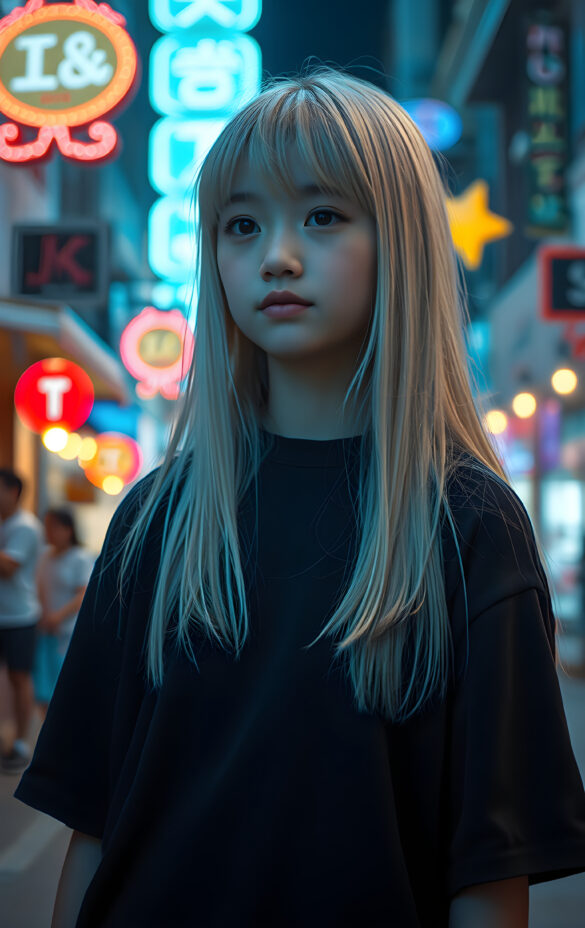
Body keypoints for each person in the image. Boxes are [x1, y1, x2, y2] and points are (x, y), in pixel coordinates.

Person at [13, 68, 585, 927]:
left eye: (322, 216)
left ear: (401, 241)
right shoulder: (155, 520)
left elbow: (487, 878)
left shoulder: (468, 525)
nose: (276, 254)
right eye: (241, 225)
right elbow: (91, 833)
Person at [0, 468, 43, 774]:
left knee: (19, 678)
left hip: (20, 616)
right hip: (7, 615)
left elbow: (8, 568)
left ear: (13, 491)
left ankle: (20, 743)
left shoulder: (26, 526)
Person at [33, 508, 93, 722]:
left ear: (68, 530)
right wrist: (44, 614)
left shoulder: (80, 558)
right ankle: (46, 729)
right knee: (43, 686)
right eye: (47, 526)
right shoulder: (45, 556)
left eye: (54, 527)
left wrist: (58, 616)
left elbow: (83, 594)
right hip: (46, 630)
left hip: (68, 632)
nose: (49, 531)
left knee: (65, 684)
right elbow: (40, 588)